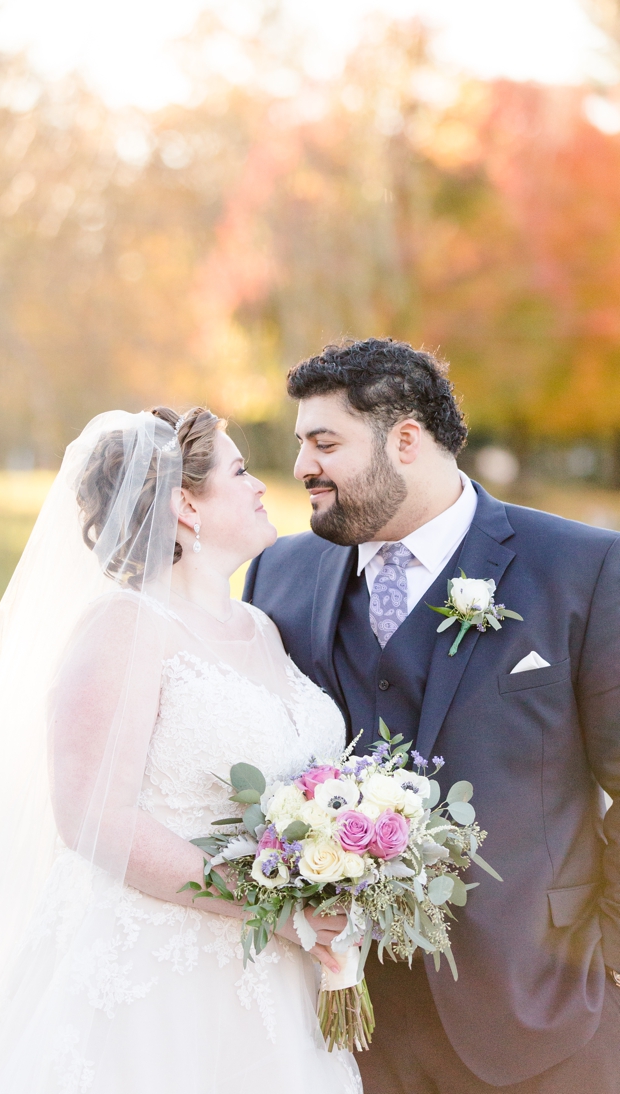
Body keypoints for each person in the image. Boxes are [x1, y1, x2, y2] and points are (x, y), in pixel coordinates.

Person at [0, 407, 359, 1093]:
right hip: (157, 980)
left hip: (278, 980)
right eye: (239, 472)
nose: (262, 486)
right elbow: (94, 815)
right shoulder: (124, 626)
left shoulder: (263, 628)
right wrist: (269, 907)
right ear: (186, 504)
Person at [246, 338, 620, 1093]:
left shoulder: (582, 567)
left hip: (545, 1013)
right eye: (299, 444)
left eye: (325, 442)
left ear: (406, 440)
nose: (301, 469)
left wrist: (608, 948)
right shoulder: (276, 575)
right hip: (335, 1034)